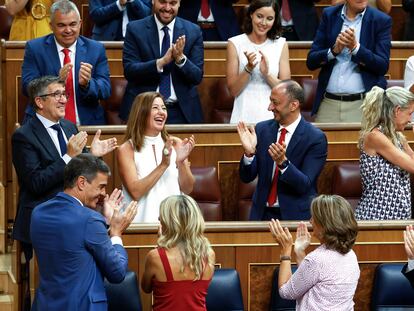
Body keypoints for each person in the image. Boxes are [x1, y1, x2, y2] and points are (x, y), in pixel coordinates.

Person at [12, 75, 117, 311]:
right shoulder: (24, 136)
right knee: (47, 289)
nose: (63, 100)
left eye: (64, 94)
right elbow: (35, 182)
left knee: (76, 285)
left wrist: (92, 155)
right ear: (39, 102)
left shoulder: (70, 127)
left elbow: (79, 176)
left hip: (75, 222)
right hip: (41, 225)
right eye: (57, 95)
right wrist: (69, 157)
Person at [31, 154, 138, 311]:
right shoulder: (90, 220)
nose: (103, 193)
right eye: (101, 186)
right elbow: (117, 273)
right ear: (81, 183)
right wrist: (116, 233)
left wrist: (103, 221)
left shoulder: (38, 213)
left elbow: (74, 245)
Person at [238, 80, 327, 220]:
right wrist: (249, 154)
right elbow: (246, 177)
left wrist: (283, 164)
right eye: (270, 101)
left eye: (275, 102)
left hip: (295, 217)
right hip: (261, 215)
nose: (270, 107)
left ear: (293, 105)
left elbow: (305, 185)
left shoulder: (315, 138)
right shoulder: (262, 130)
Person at [21, 0, 111, 125]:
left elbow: (105, 89)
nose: (68, 30)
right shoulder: (35, 48)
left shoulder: (95, 49)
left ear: (80, 24)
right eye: (61, 25)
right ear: (51, 25)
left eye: (73, 24)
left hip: (86, 124)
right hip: (45, 124)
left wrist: (87, 84)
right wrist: (55, 81)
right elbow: (27, 87)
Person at [269, 194, 360, 310]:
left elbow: (286, 292)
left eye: (314, 217)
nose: (311, 221)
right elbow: (312, 279)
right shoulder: (351, 255)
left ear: (325, 225)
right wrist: (299, 251)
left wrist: (286, 250)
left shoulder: (317, 259)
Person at [306, 0, 391, 123]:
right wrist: (334, 51)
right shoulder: (329, 15)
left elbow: (382, 65)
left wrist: (356, 48)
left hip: (363, 104)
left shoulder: (380, 20)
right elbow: (311, 61)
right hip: (329, 103)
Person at [121, 0, 204, 124]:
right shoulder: (135, 29)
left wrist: (180, 59)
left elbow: (197, 76)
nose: (167, 8)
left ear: (180, 3)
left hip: (181, 112)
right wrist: (160, 63)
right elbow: (129, 70)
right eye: (163, 2)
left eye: (173, 3)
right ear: (153, 1)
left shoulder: (193, 31)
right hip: (144, 110)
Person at [117, 92, 195, 223]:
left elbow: (188, 188)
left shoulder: (175, 143)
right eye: (155, 108)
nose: (161, 112)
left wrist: (181, 163)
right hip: (141, 228)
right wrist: (163, 165)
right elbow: (135, 191)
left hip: (173, 226)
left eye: (163, 108)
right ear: (141, 112)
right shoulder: (126, 149)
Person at [141, 194, 215, 310]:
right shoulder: (209, 255)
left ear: (169, 223)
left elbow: (146, 288)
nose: (159, 221)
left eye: (161, 219)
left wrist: (160, 246)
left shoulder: (155, 257)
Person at [227, 0, 291, 124]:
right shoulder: (235, 43)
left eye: (269, 18)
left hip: (272, 114)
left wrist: (267, 75)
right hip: (243, 113)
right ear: (251, 14)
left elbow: (287, 91)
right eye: (259, 16)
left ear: (275, 20)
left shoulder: (281, 44)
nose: (263, 23)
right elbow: (233, 90)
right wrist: (248, 68)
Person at [355, 86, 414, 220]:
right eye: (410, 113)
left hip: (399, 218)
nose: (410, 120)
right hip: (376, 218)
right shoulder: (375, 137)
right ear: (397, 110)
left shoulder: (398, 136)